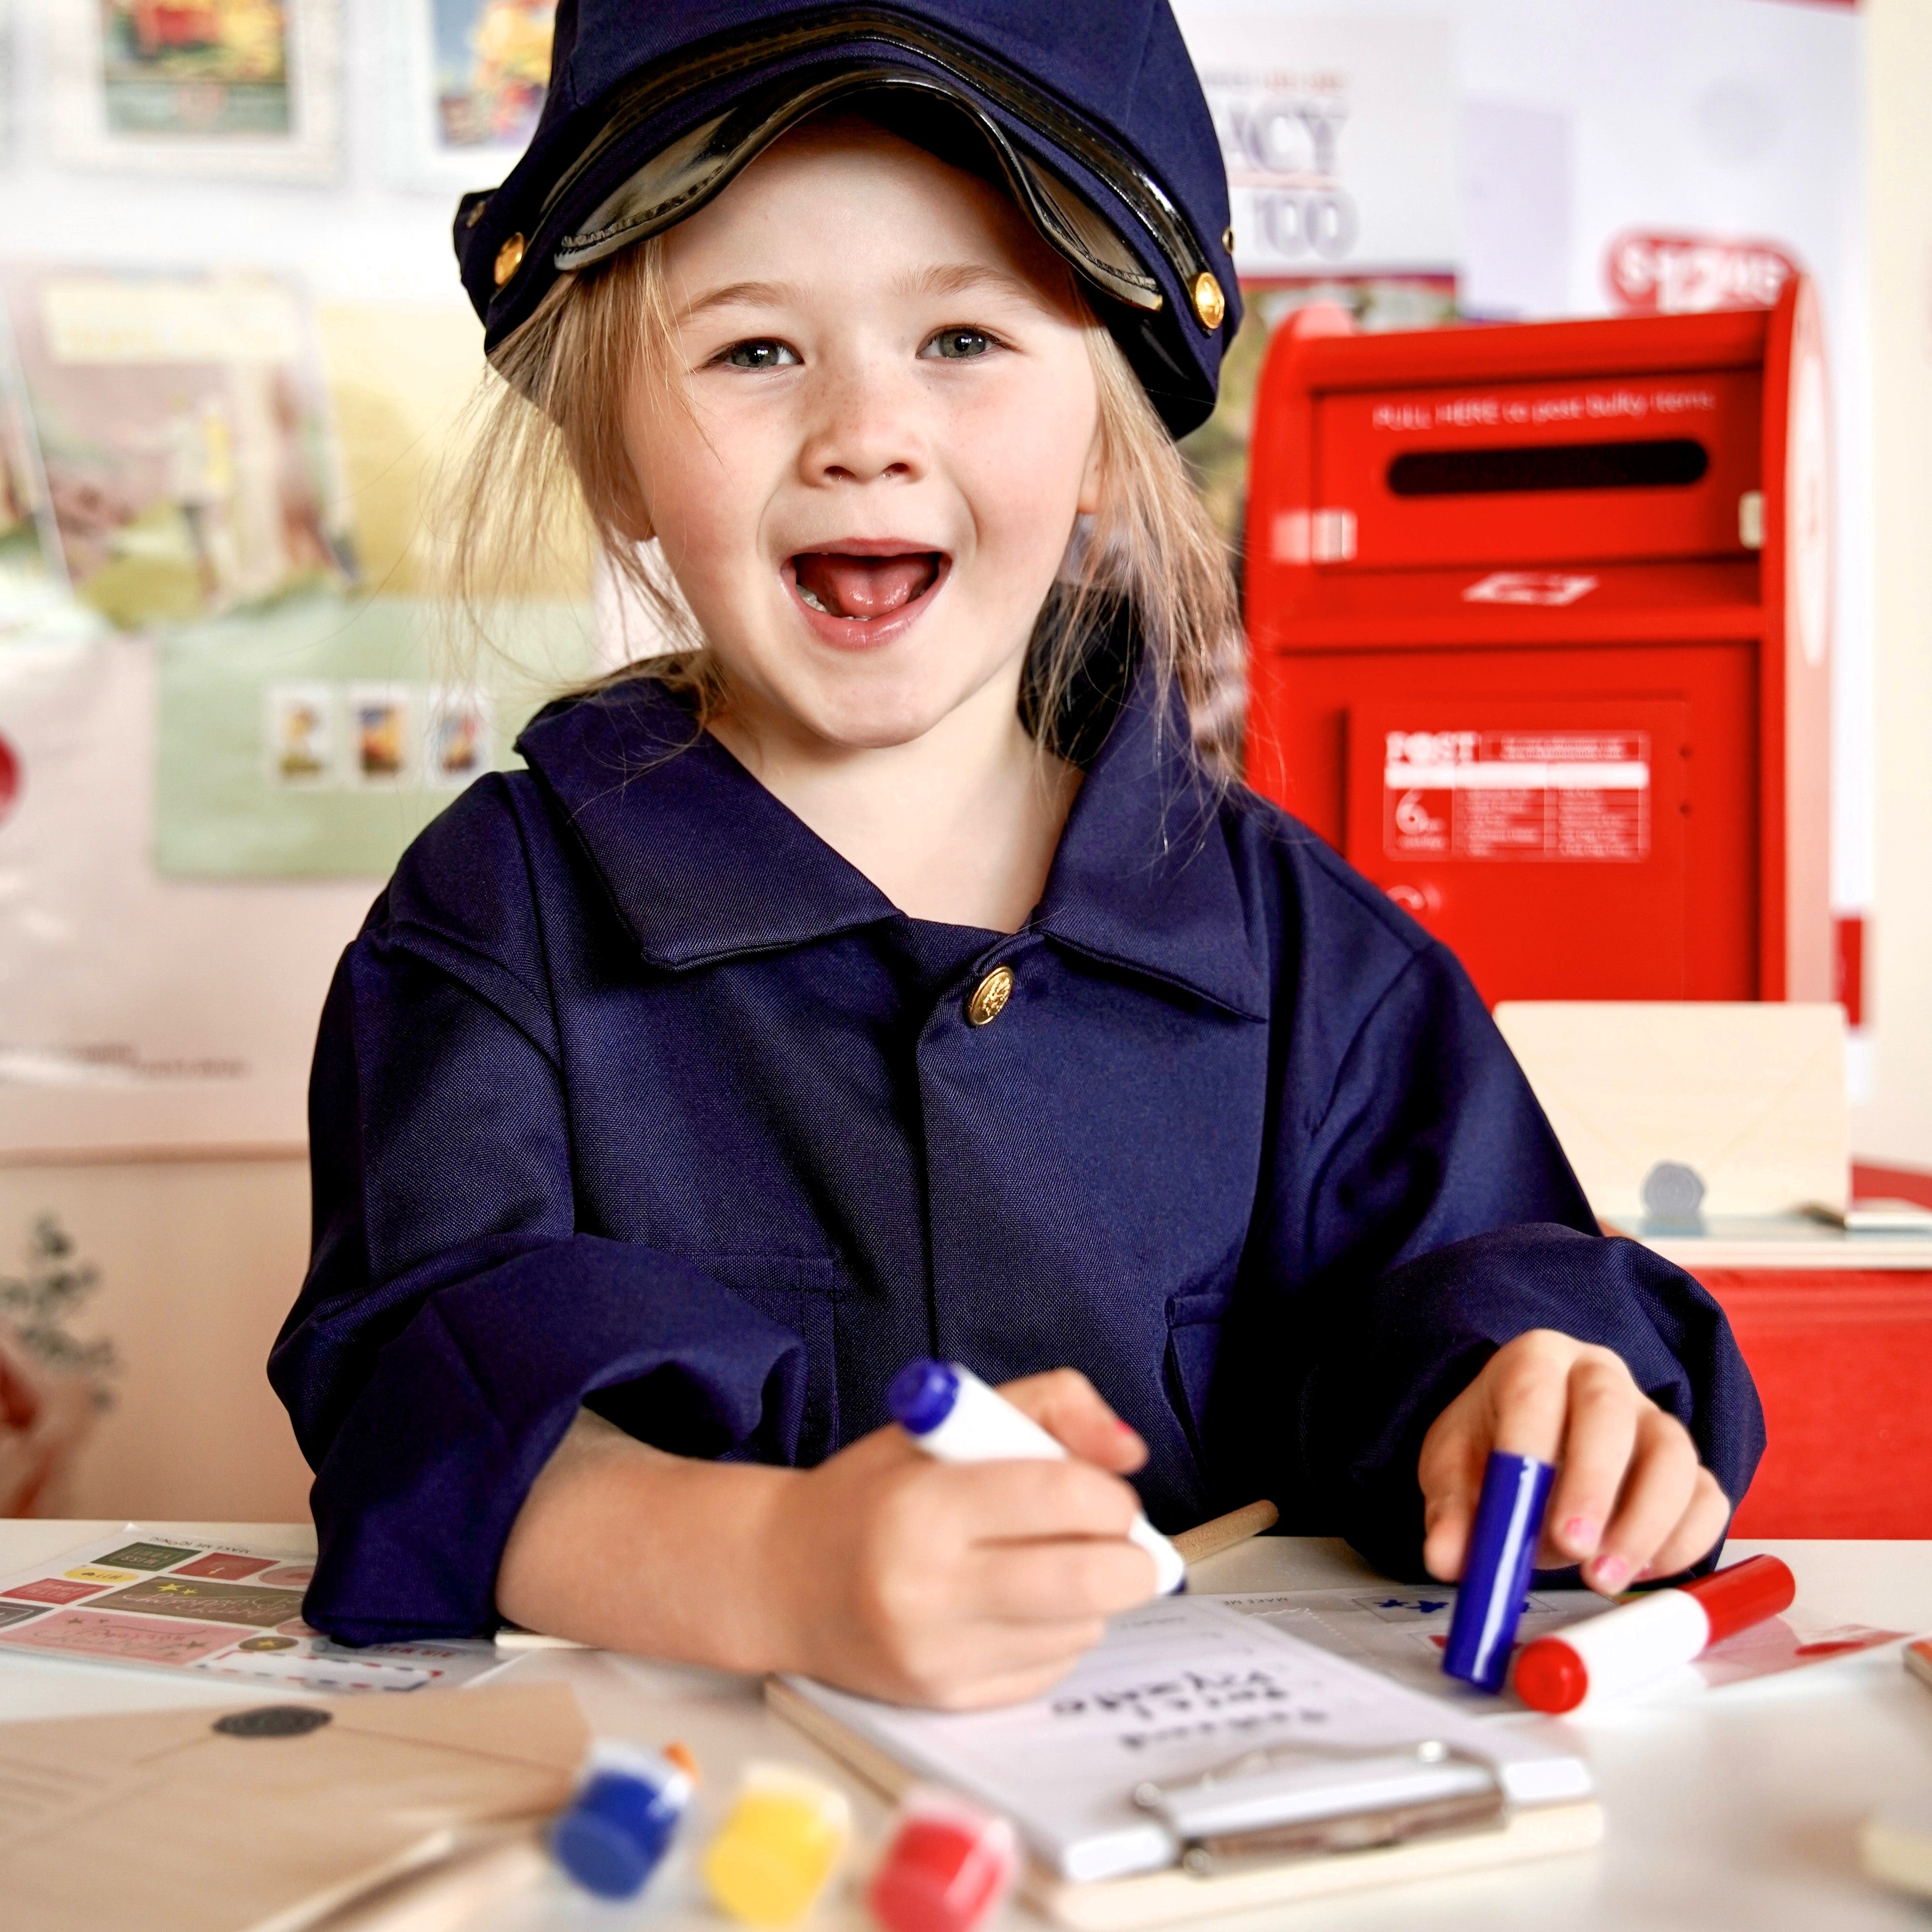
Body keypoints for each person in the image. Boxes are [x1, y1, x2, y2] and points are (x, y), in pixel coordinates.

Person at [270, 1, 1763, 1709]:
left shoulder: (1312, 956)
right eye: (755, 351)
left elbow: (1475, 1286)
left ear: (1107, 440)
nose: (863, 431)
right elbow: (422, 1401)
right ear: (614, 458)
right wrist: (773, 1568)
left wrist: (1542, 1396)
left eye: (965, 339)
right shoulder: (494, 923)